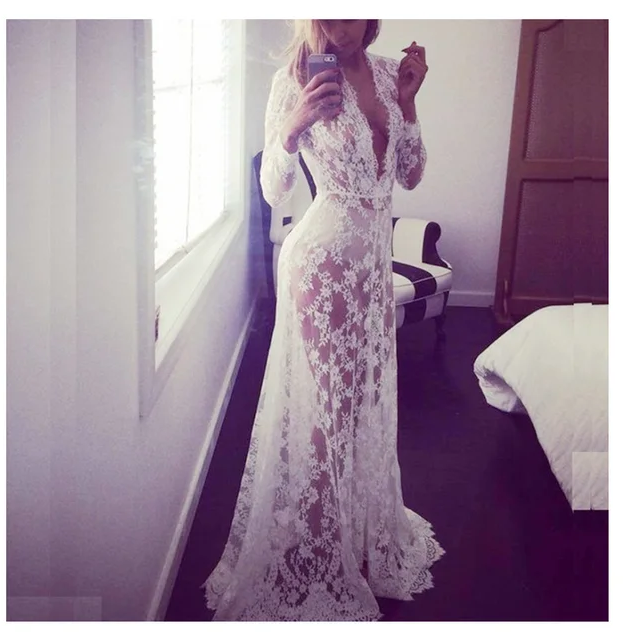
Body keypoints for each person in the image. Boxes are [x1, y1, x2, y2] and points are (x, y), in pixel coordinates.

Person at [203, 19, 444, 621]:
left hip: (371, 264)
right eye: (325, 12)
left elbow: (410, 175)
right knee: (326, 406)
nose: (338, 25)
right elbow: (273, 189)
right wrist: (293, 128)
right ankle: (319, 548)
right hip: (323, 262)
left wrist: (409, 103)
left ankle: (353, 526)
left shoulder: (388, 75)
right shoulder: (292, 81)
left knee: (361, 399)